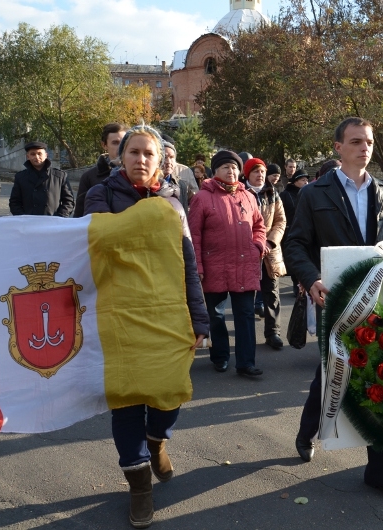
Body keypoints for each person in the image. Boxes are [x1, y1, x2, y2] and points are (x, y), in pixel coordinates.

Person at [84, 124, 209, 529]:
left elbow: (187, 262)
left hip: (168, 314)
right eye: (132, 151)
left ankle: (157, 440)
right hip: (118, 315)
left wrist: (199, 316)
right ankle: (139, 487)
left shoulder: (173, 204)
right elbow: (90, 248)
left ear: (160, 160)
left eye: (148, 153)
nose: (140, 159)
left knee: (168, 395)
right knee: (126, 401)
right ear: (121, 156)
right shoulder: (99, 196)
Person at [284, 117, 383, 503]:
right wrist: (310, 279)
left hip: (382, 307)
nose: (365, 147)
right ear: (338, 147)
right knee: (332, 376)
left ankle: (382, 473)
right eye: (356, 141)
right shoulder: (314, 194)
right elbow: (295, 245)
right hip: (337, 304)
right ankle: (308, 432)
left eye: (369, 141)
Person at [188, 150, 267, 377]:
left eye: (234, 167)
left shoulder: (248, 196)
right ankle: (220, 356)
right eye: (225, 167)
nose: (231, 171)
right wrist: (198, 269)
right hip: (215, 268)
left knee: (245, 315)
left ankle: (246, 363)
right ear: (216, 171)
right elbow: (194, 237)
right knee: (217, 316)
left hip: (244, 266)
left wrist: (258, 246)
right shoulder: (202, 198)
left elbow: (259, 226)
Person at [242, 157, 287, 349]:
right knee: (245, 297)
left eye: (262, 172)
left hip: (270, 250)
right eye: (256, 172)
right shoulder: (241, 192)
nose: (260, 175)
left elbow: (280, 220)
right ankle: (247, 336)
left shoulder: (272, 193)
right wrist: (252, 243)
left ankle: (273, 333)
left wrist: (269, 241)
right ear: (247, 175)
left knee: (272, 293)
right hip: (246, 250)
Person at [74, 123, 128, 217]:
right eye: (115, 143)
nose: (121, 147)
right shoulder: (89, 177)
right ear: (104, 145)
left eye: (124, 142)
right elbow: (79, 217)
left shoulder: (137, 174)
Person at [9, 141, 74, 217]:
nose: (36, 157)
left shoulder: (59, 176)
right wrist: (23, 218)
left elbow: (69, 201)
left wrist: (59, 218)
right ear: (28, 156)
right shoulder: (20, 177)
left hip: (53, 223)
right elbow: (14, 202)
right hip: (29, 223)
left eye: (39, 153)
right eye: (33, 154)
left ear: (46, 155)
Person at [280, 168, 310, 297]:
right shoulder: (285, 195)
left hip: (306, 230)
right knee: (292, 258)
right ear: (295, 181)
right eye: (302, 180)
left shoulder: (308, 194)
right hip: (289, 231)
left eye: (306, 180)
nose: (305, 182)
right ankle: (295, 284)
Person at [160, 138, 189, 213]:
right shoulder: (148, 184)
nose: (168, 162)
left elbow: (184, 213)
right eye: (165, 157)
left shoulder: (181, 185)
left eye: (172, 157)